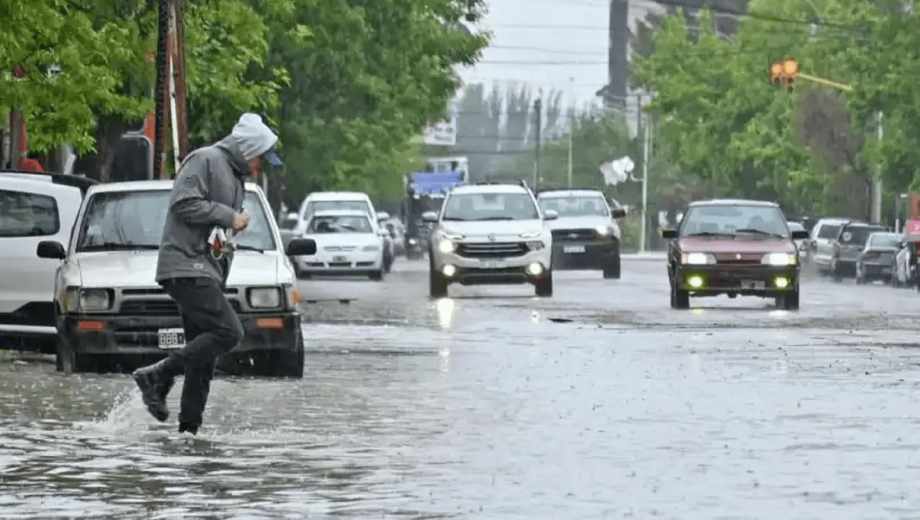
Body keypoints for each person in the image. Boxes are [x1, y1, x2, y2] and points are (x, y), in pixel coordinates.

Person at [132, 113, 283, 435]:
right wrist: (229, 216)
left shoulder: (235, 174)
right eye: (259, 159)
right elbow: (183, 204)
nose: (260, 167)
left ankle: (189, 432)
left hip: (205, 269)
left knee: (203, 359)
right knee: (230, 333)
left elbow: (213, 229)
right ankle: (157, 375)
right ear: (246, 150)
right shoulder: (205, 160)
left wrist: (225, 240)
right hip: (185, 267)